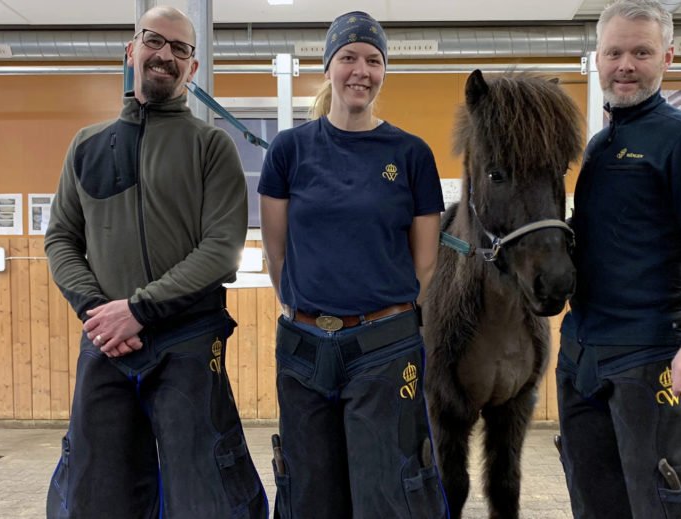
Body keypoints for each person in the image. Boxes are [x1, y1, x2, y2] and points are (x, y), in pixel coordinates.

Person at [44, 6, 267, 518]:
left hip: (187, 342)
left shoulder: (212, 148)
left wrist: (139, 309)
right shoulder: (87, 146)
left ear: (192, 69)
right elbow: (60, 238)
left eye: (180, 49)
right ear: (132, 50)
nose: (164, 54)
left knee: (205, 497)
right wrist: (99, 312)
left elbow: (220, 249)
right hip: (106, 340)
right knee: (94, 496)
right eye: (154, 41)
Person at [259, 10, 449, 518]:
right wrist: (311, 309)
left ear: (384, 70)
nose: (359, 70)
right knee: (310, 493)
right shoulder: (288, 151)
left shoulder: (411, 155)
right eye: (348, 58)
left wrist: (382, 318)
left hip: (384, 347)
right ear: (328, 67)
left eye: (372, 59)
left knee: (385, 493)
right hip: (304, 350)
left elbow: (425, 265)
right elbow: (276, 255)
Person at [556, 1, 681, 518]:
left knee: (666, 500)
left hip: (650, 354)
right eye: (614, 52)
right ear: (597, 58)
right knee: (594, 500)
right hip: (582, 355)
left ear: (668, 57)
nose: (625, 65)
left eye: (641, 52)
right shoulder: (599, 145)